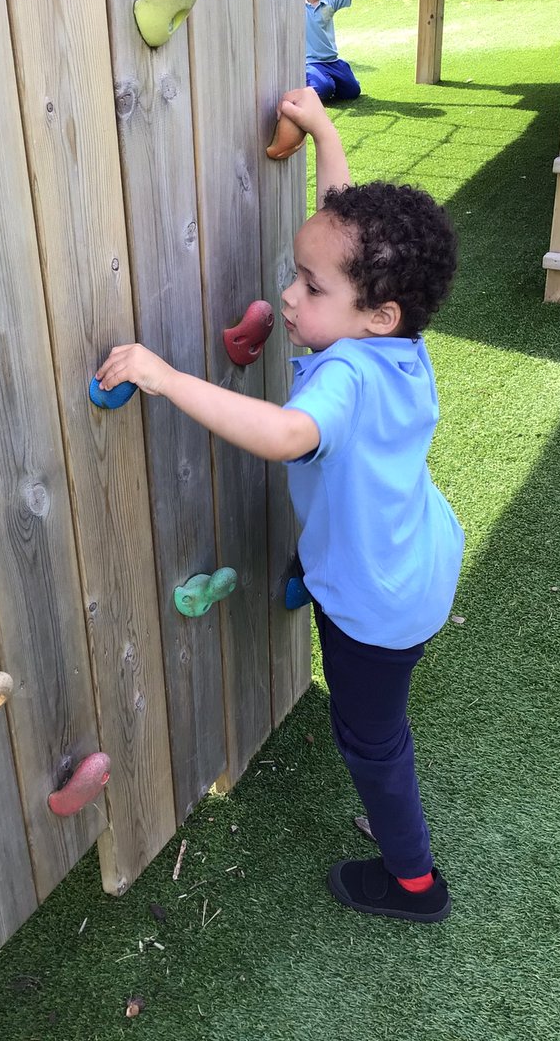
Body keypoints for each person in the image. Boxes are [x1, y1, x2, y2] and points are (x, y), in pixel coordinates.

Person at [96, 86, 463, 924]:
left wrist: (164, 375)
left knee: (371, 739)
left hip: (378, 602)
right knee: (371, 689)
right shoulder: (397, 340)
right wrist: (324, 130)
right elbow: (341, 216)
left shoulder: (343, 380)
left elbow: (287, 435)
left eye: (310, 286)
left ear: (375, 314)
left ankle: (414, 882)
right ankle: (312, 571)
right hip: (417, 552)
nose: (291, 298)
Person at [305, 0, 389, 103]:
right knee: (324, 90)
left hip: (332, 61)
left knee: (352, 91)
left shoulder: (330, 0)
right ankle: (310, 81)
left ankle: (332, 76)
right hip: (309, 63)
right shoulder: (292, 2)